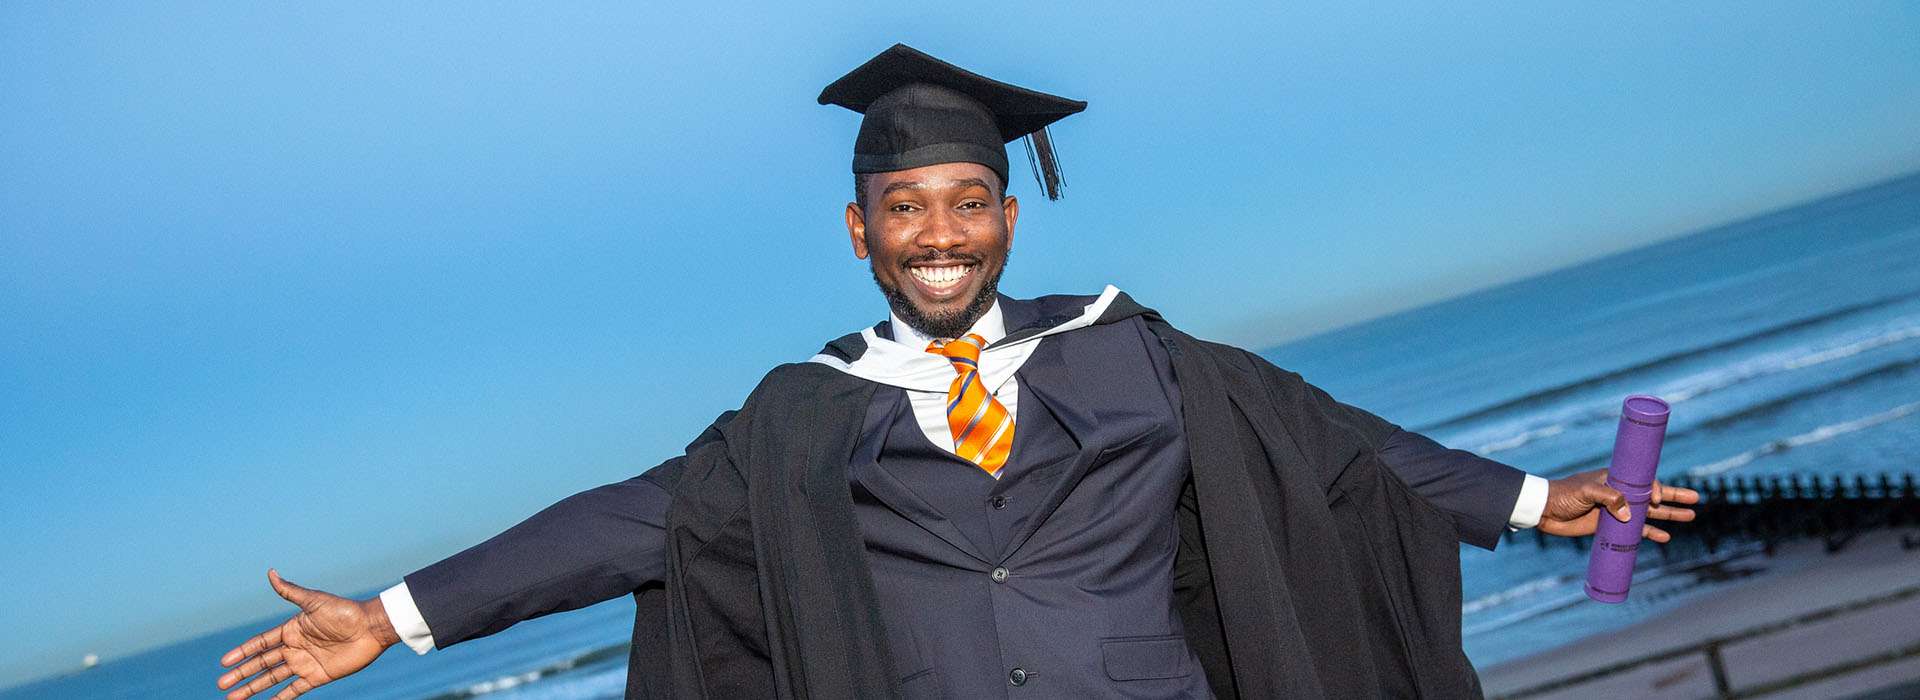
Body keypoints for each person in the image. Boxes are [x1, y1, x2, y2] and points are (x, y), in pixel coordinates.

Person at [215, 44, 1698, 700]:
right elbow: (627, 522)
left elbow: (1331, 449)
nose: (941, 236)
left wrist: (1528, 498)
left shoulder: (1130, 354)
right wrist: (397, 616)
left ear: (1008, 208)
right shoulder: (801, 418)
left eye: (968, 202)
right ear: (861, 233)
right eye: (907, 210)